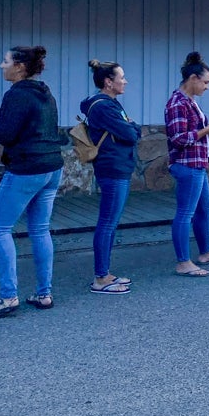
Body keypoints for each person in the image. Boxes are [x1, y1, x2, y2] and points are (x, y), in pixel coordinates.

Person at [0, 46, 64, 319]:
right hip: (52, 167)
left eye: (6, 61)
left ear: (20, 67)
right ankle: (44, 293)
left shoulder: (16, 94)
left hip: (26, 168)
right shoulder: (45, 93)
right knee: (40, 229)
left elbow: (6, 135)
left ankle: (7, 297)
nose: (2, 66)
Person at [165, 52, 209, 276]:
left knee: (204, 208)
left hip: (197, 164)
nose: (207, 87)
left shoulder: (189, 102)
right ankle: (183, 262)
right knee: (185, 213)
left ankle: (205, 252)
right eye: (205, 82)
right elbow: (178, 139)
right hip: (187, 165)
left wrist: (208, 129)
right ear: (193, 78)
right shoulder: (178, 103)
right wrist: (206, 130)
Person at [83, 59, 143, 294]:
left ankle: (105, 273)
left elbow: (131, 129)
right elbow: (131, 132)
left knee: (110, 222)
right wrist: (132, 127)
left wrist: (131, 127)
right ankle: (100, 278)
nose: (125, 81)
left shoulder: (110, 104)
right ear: (108, 82)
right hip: (113, 167)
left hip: (116, 166)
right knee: (107, 222)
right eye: (121, 77)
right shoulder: (103, 107)